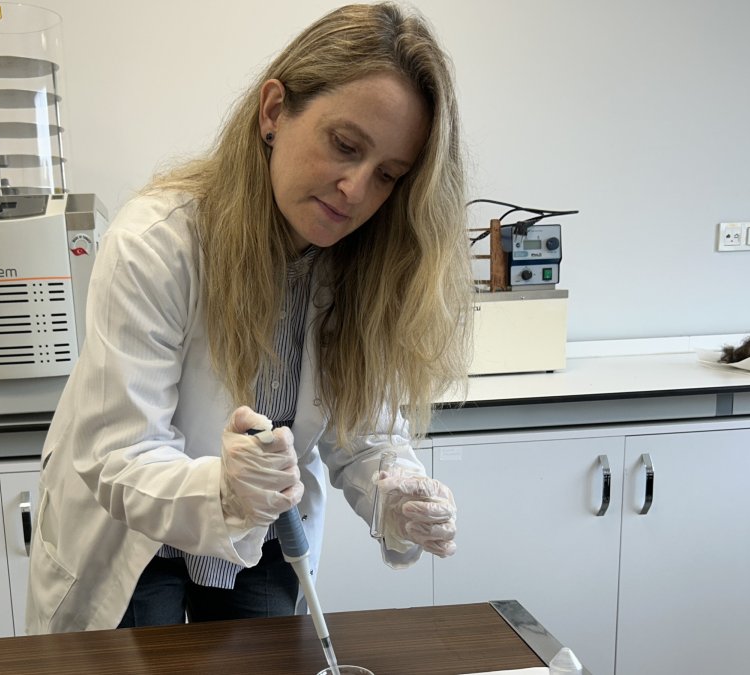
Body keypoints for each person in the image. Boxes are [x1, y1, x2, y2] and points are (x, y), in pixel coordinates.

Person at [26, 2, 472, 633]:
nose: (356, 189)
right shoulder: (159, 240)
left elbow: (364, 432)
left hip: (265, 535)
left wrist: (393, 492)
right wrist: (227, 493)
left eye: (388, 176)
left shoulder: (365, 265)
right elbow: (121, 454)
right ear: (273, 113)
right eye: (345, 145)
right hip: (130, 536)